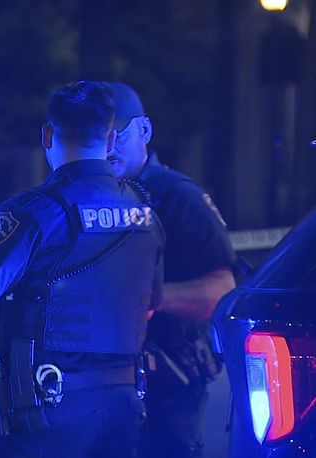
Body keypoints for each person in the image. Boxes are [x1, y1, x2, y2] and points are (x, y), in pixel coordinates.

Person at [0, 81, 165, 458]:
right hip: (124, 406)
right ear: (111, 137)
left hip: (47, 410)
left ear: (47, 134)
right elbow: (152, 301)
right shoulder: (144, 212)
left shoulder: (33, 213)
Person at [104, 82, 236, 458]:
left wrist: (149, 298)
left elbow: (222, 293)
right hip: (100, 385)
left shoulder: (179, 197)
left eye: (119, 133)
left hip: (167, 386)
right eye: (101, 135)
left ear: (144, 131)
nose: (109, 145)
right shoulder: (89, 197)